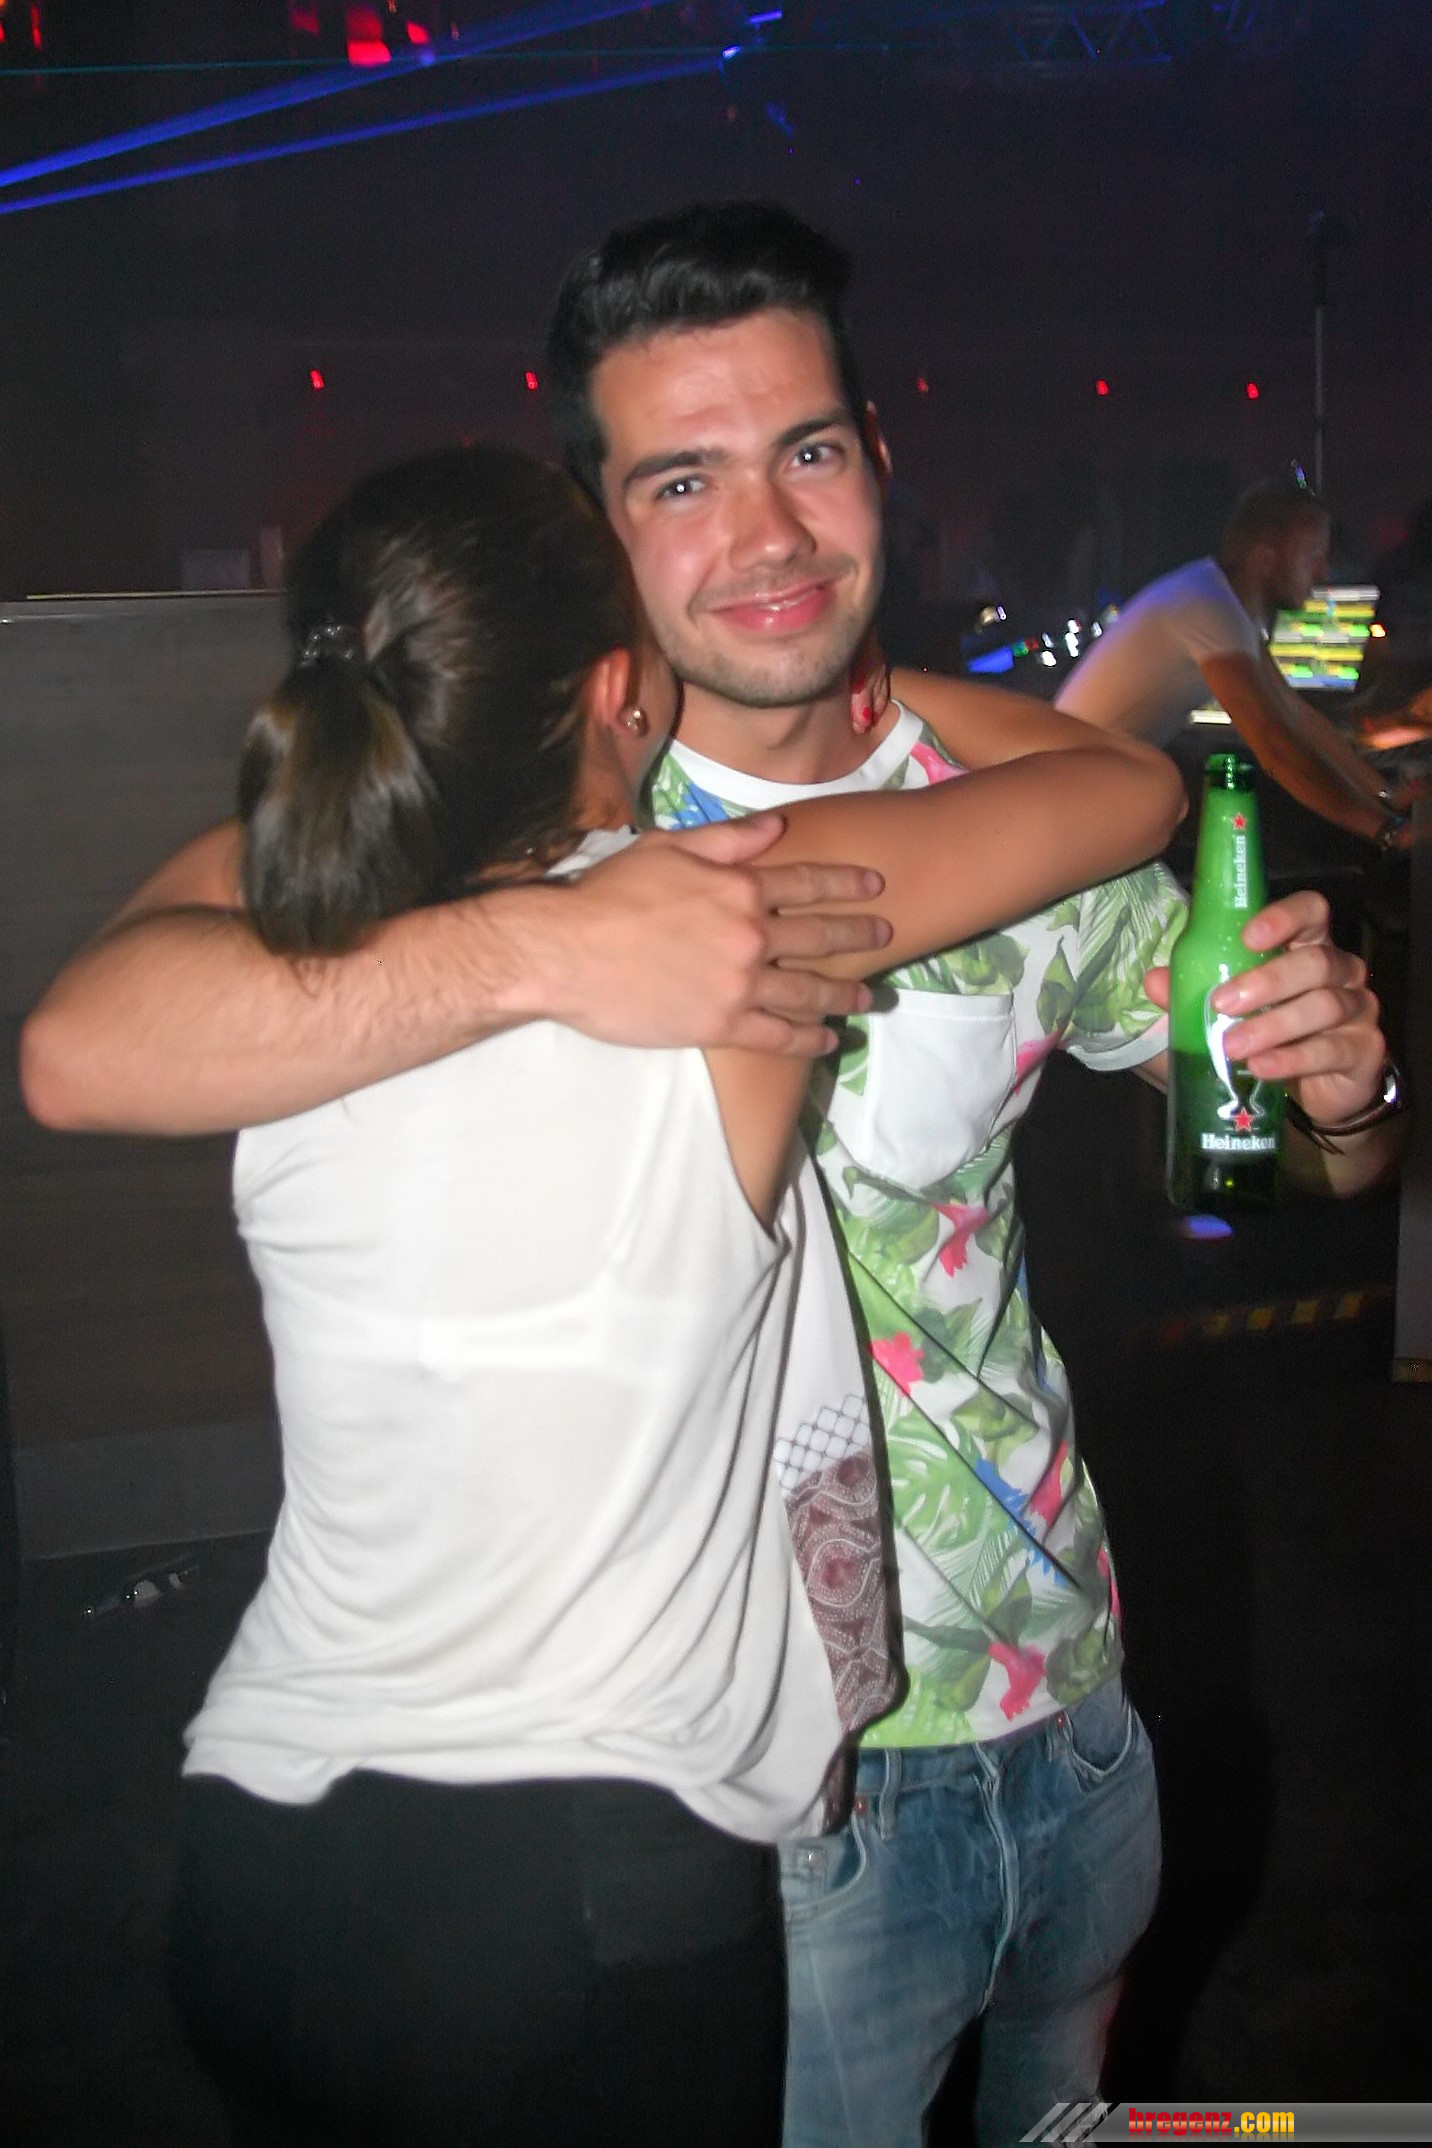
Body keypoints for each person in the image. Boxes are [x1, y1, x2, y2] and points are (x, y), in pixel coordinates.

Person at [18, 203, 1400, 2145]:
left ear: (873, 462)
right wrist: (550, 946)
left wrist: (1346, 1096)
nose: (765, 533)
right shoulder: (498, 810)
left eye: (804, 450)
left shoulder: (1004, 824)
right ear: (598, 537)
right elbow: (95, 1033)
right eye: (682, 479)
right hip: (767, 1810)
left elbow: (1266, 1165)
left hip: (1070, 1704)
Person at [147, 441, 1182, 2148]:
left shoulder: (287, 966)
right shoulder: (733, 936)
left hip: (266, 1851)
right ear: (619, 690)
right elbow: (1123, 791)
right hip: (574, 1888)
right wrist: (867, 669)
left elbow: (78, 1028)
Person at [1056, 472, 1412, 849]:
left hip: (1082, 787)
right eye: (1312, 555)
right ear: (1265, 559)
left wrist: (1388, 796)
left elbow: (1296, 716)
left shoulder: (1227, 605)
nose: (1323, 571)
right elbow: (1275, 747)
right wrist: (1387, 832)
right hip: (1067, 794)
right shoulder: (1208, 606)